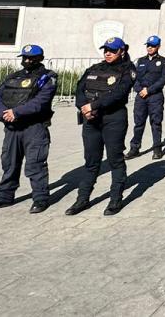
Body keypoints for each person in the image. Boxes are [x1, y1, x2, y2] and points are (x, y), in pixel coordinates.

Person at [0, 44, 57, 214]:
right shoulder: (13, 77)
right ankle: (4, 197)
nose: (27, 61)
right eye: (25, 57)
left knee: (35, 165)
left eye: (31, 58)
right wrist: (3, 114)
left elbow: (40, 102)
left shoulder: (47, 77)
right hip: (12, 128)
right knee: (9, 163)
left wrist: (16, 112)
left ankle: (40, 198)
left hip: (34, 128)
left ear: (40, 59)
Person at [66, 36, 137, 216]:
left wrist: (94, 106)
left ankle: (115, 199)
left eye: (112, 50)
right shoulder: (95, 68)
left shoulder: (128, 70)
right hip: (91, 120)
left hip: (114, 119)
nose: (108, 53)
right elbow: (80, 88)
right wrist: (84, 108)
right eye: (106, 49)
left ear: (122, 51)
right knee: (91, 162)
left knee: (115, 160)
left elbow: (119, 94)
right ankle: (82, 199)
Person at [127, 35, 165, 160]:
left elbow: (163, 79)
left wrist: (149, 90)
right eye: (148, 45)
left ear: (158, 46)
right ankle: (134, 148)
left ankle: (157, 148)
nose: (150, 48)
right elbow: (134, 78)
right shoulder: (140, 61)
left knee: (156, 123)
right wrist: (140, 90)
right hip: (141, 96)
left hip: (155, 96)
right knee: (138, 123)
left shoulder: (163, 62)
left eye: (153, 46)